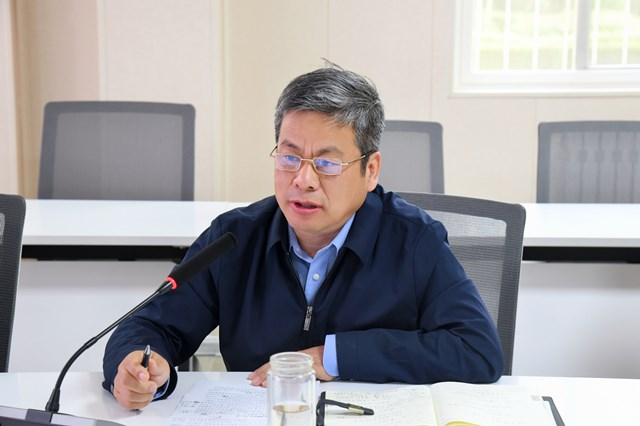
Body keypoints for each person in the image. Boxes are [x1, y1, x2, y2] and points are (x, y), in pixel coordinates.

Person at [102, 63, 503, 410]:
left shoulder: (414, 241)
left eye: (326, 163)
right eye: (290, 157)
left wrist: (334, 356)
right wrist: (138, 368)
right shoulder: (234, 238)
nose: (303, 179)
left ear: (371, 170)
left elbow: (476, 349)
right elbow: (150, 326)